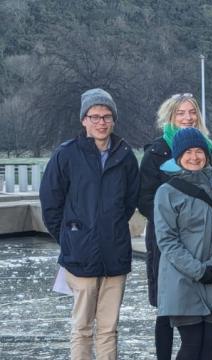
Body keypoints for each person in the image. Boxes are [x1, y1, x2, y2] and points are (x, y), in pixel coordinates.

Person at [40, 88, 139, 360]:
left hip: (115, 255)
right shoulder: (66, 155)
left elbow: (129, 203)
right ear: (84, 120)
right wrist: (71, 237)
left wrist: (113, 230)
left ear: (113, 120)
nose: (101, 122)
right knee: (81, 327)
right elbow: (50, 204)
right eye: (94, 116)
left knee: (109, 329)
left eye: (106, 116)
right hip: (79, 256)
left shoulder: (125, 155)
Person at [137, 93, 212, 360]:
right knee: (167, 309)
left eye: (192, 112)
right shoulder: (156, 151)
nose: (187, 117)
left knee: (207, 333)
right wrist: (178, 226)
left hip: (209, 246)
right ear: (170, 117)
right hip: (171, 244)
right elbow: (145, 198)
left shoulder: (209, 149)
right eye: (180, 113)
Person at [153, 128, 212, 360]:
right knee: (191, 345)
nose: (194, 156)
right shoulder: (166, 192)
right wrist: (198, 270)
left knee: (209, 346)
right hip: (182, 279)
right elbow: (167, 240)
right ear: (178, 157)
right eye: (187, 152)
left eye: (198, 151)